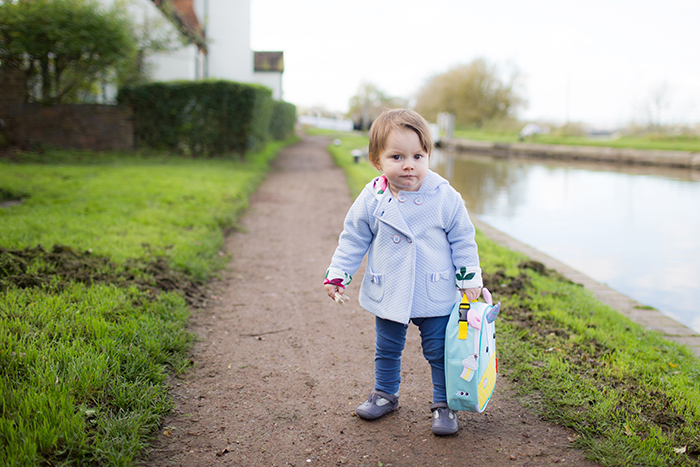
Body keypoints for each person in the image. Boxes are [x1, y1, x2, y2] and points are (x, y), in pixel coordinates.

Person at [323, 109, 482, 436]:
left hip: (433, 290)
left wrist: (468, 278)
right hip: (391, 289)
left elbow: (463, 238)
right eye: (397, 156)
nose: (409, 164)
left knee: (439, 351)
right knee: (387, 347)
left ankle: (444, 403)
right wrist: (338, 273)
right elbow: (354, 237)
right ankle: (385, 393)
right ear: (376, 160)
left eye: (417, 156)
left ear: (428, 156)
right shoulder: (372, 197)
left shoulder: (444, 196)